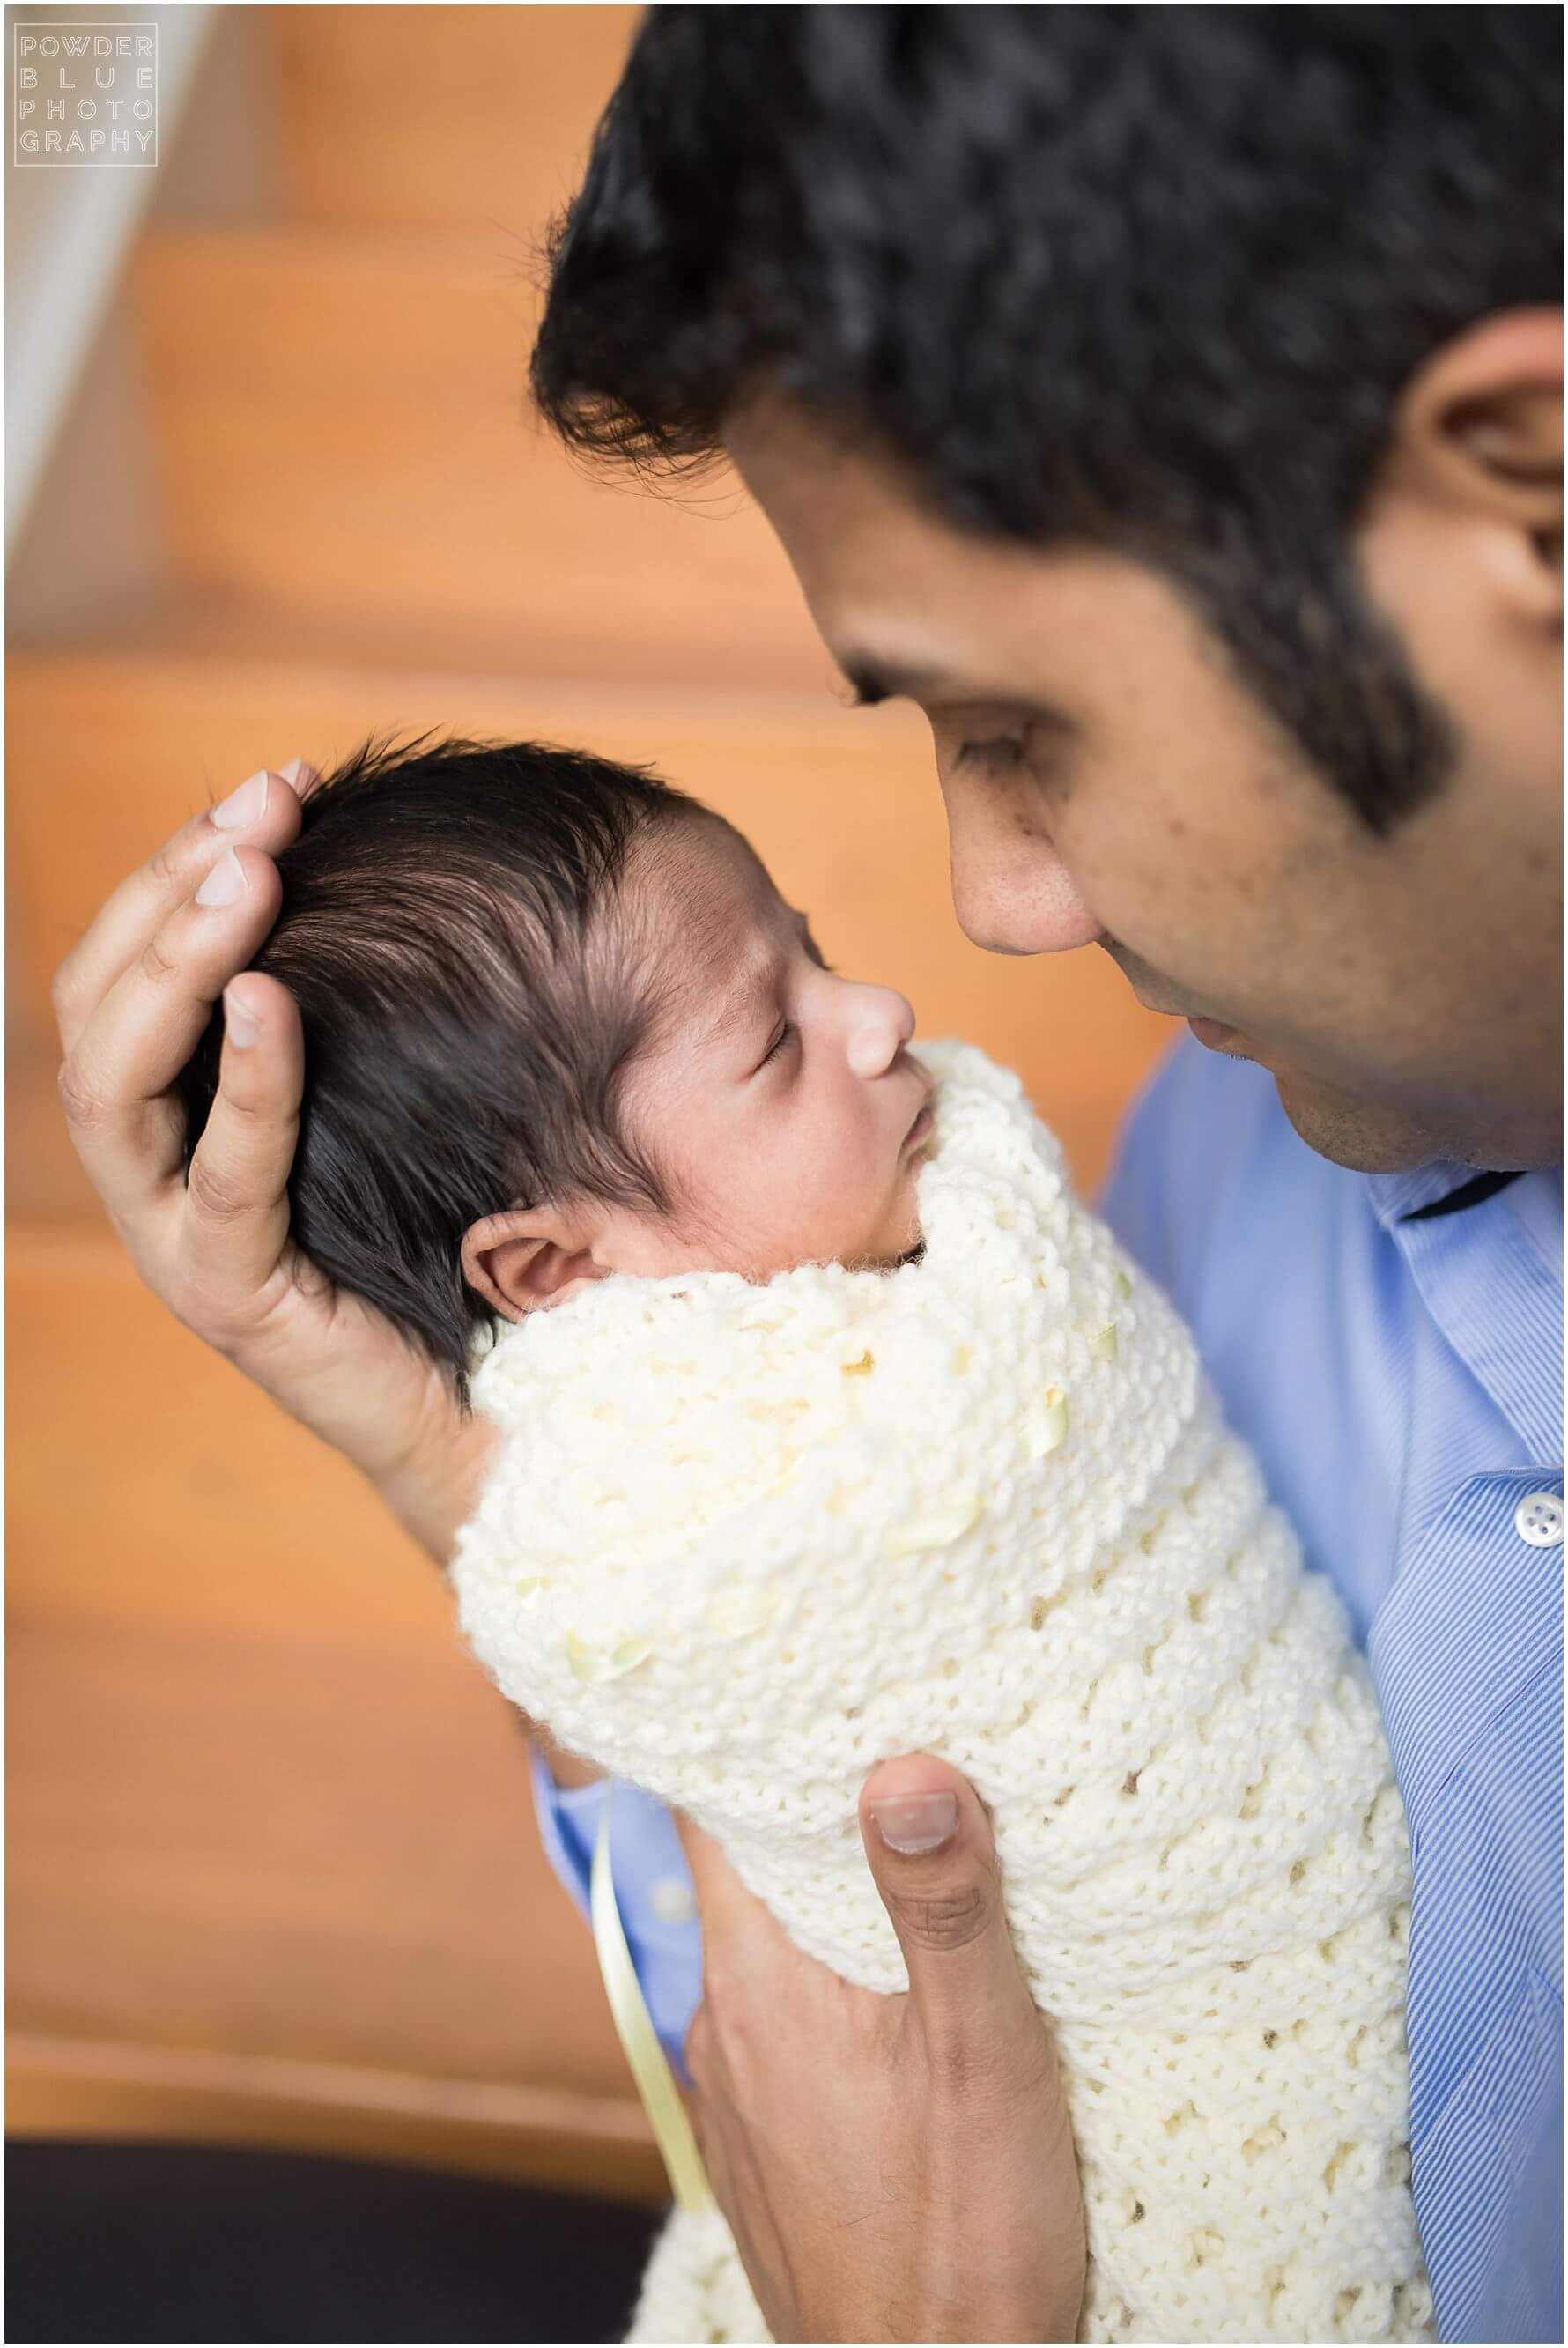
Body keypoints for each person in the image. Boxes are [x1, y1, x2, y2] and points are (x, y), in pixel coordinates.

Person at [52, 8, 1559, 2341]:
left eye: (1014, 726)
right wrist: (431, 1442)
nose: (991, 915)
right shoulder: (1248, 1141)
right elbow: (837, 1908)